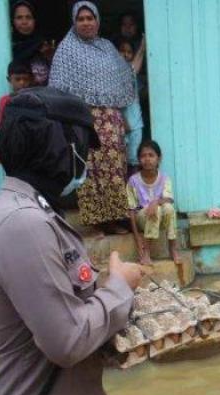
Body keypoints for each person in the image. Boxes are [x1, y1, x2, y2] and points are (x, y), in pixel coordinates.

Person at [0, 86, 144, 395]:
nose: (85, 162)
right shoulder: (23, 223)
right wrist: (120, 286)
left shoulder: (36, 211)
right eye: (82, 150)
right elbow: (67, 340)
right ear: (60, 146)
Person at [49, 1, 136, 234]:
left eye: (90, 18)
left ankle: (116, 218)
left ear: (98, 21)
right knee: (91, 171)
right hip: (84, 121)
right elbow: (57, 89)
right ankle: (98, 222)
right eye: (81, 19)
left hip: (112, 121)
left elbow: (125, 75)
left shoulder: (107, 47)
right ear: (74, 22)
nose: (86, 23)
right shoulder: (66, 50)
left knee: (115, 169)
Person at [127, 140, 179, 266]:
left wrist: (156, 201)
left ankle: (173, 248)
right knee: (157, 210)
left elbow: (169, 198)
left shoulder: (164, 178)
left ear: (158, 158)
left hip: (160, 219)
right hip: (142, 219)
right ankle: (146, 252)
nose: (147, 159)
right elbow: (131, 210)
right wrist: (137, 239)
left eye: (151, 155)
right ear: (139, 159)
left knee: (168, 208)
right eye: (143, 156)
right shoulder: (133, 180)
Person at [116, 35, 146, 172]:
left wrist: (142, 48)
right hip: (122, 125)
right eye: (123, 51)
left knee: (134, 161)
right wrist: (123, 121)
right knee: (121, 162)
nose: (126, 55)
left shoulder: (131, 73)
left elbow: (134, 68)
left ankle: (132, 192)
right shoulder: (113, 74)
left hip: (135, 124)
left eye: (129, 52)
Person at [10, 0, 53, 86]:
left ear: (34, 20)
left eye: (28, 17)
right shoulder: (8, 47)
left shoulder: (43, 45)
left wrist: (50, 57)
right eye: (19, 17)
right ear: (12, 21)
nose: (24, 22)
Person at [0, 60, 33, 129]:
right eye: (17, 79)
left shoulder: (35, 99)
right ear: (9, 80)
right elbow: (0, 126)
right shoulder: (5, 101)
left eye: (25, 79)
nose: (22, 83)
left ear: (31, 79)